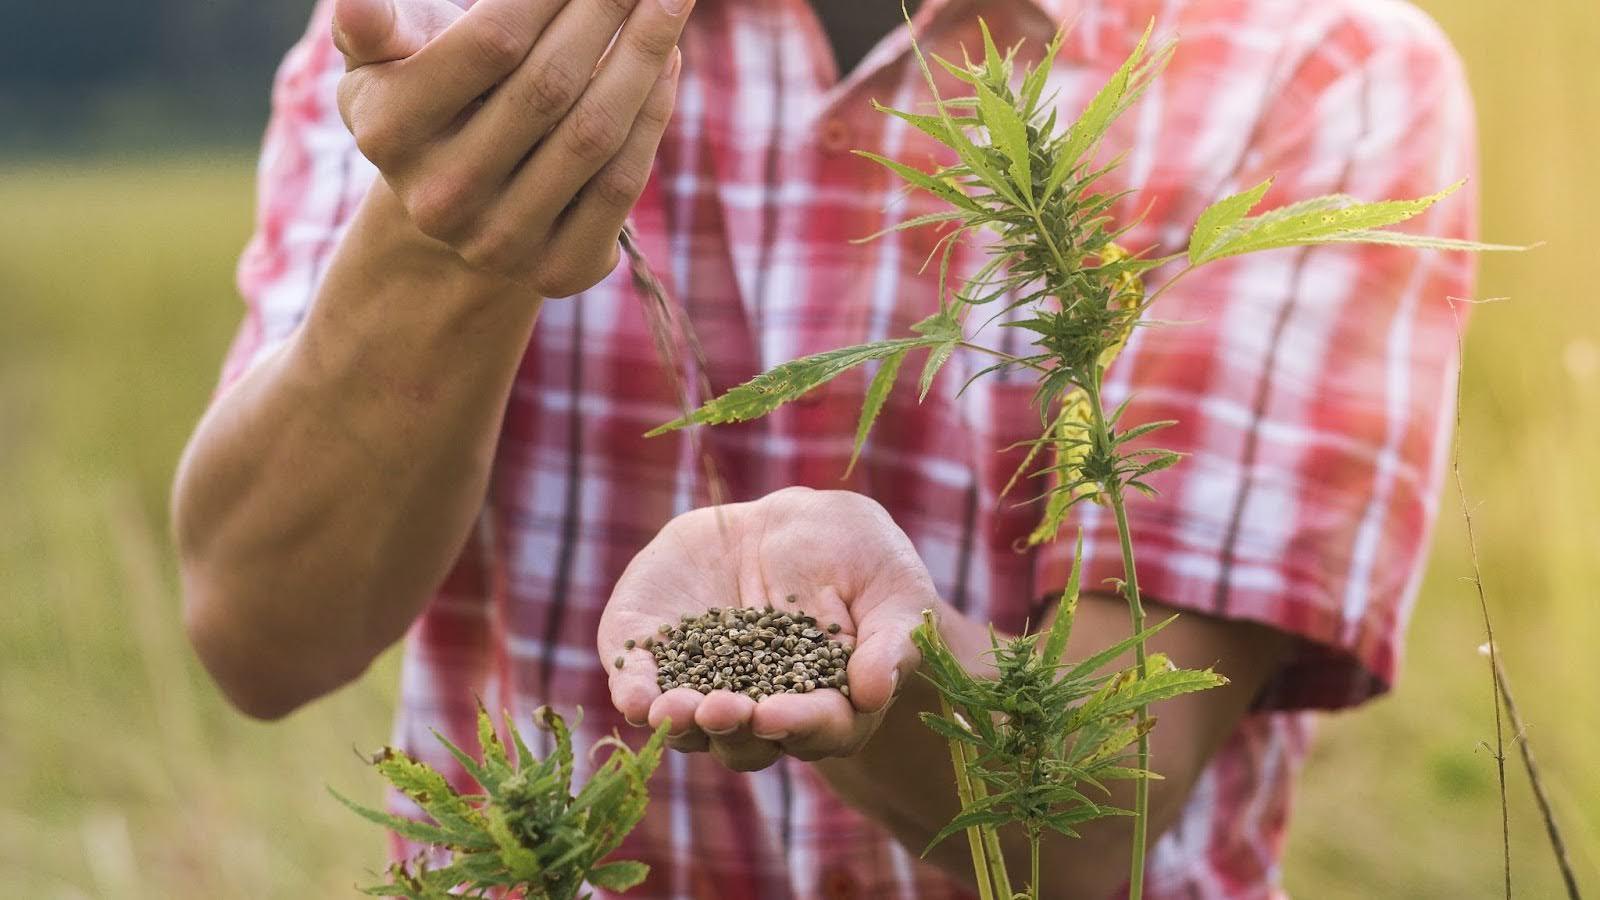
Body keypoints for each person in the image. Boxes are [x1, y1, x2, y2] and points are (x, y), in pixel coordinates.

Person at [171, 0, 1478, 895]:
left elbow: (1103, 809)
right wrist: (456, 231)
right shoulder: (454, 26)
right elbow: (263, 628)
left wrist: (896, 659)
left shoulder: (1310, 65)